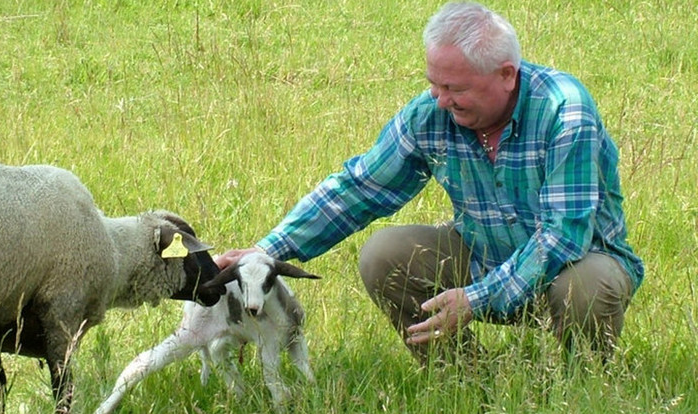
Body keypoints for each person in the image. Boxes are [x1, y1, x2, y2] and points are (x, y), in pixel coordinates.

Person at [216, 1, 644, 364]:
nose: (441, 99)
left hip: (578, 262)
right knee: (383, 255)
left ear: (507, 74)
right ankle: (467, 383)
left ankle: (580, 383)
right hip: (482, 253)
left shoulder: (564, 110)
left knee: (584, 287)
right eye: (434, 84)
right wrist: (267, 252)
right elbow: (360, 188)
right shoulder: (433, 113)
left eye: (455, 88)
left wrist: (477, 299)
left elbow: (564, 235)